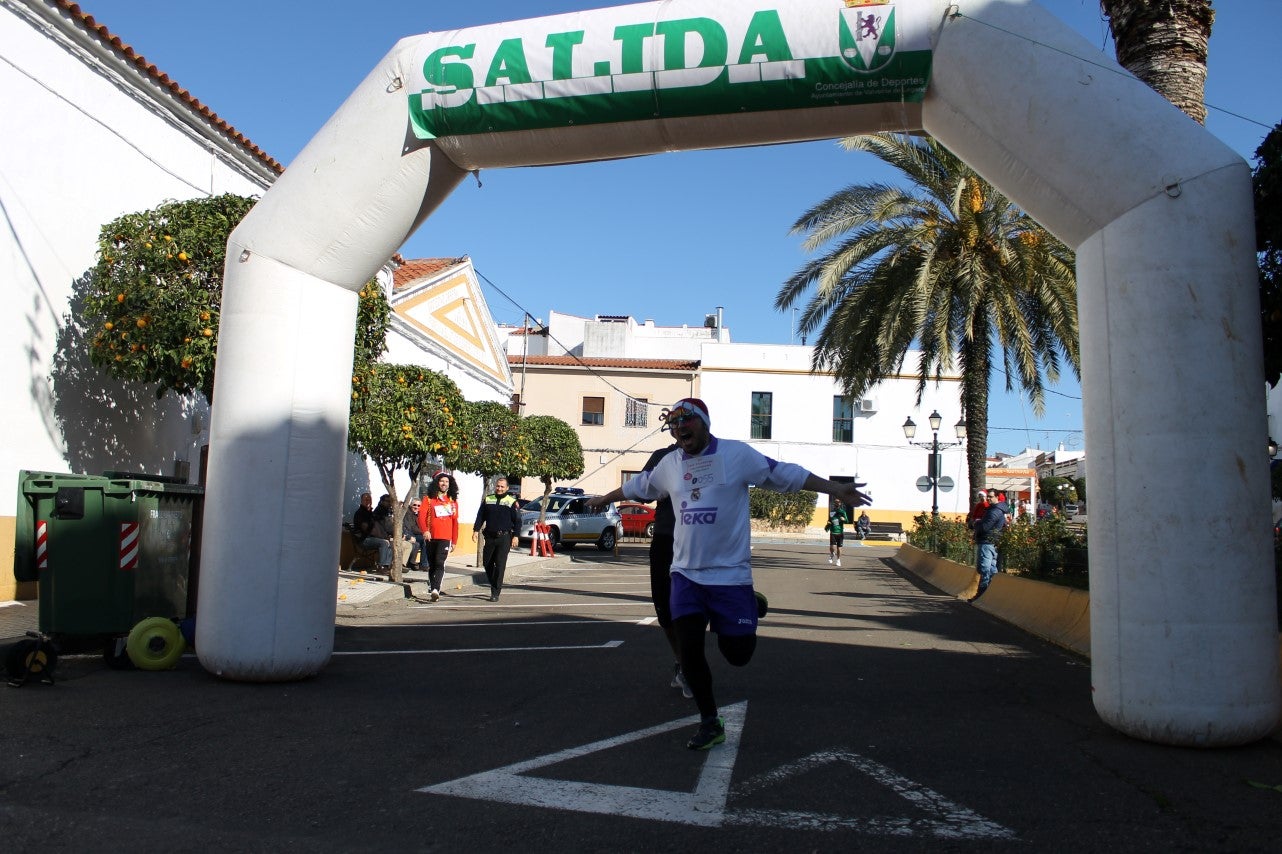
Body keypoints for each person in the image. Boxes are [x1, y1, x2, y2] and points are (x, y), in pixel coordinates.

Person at [587, 398, 870, 751]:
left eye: (686, 422)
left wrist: (835, 489)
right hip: (686, 575)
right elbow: (639, 486)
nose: (679, 430)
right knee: (689, 653)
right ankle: (710, 721)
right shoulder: (671, 464)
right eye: (673, 426)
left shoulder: (738, 456)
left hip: (730, 576)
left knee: (738, 655)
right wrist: (605, 498)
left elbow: (785, 474)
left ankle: (747, 605)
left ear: (704, 422)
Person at [638, 442, 690, 698]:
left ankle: (691, 665)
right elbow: (642, 492)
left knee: (692, 608)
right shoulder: (662, 456)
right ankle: (682, 661)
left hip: (695, 539)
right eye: (675, 422)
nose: (681, 428)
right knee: (664, 610)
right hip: (664, 538)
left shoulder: (711, 455)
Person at [472, 476, 522, 601]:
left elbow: (518, 521)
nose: (499, 489)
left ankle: (495, 592)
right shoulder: (488, 499)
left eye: (502, 487)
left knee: (500, 565)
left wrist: (516, 535)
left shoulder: (511, 501)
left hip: (504, 538)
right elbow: (480, 516)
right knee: (487, 563)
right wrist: (475, 530)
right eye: (498, 486)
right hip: (490, 537)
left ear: (507, 488)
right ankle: (494, 581)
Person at [417, 472, 459, 602]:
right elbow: (421, 517)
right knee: (432, 564)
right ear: (437, 483)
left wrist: (454, 540)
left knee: (440, 562)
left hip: (445, 538)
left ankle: (436, 589)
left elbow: (455, 522)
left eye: (447, 482)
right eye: (442, 481)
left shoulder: (453, 502)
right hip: (431, 537)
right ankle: (433, 587)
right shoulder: (428, 499)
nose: (444, 484)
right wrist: (425, 531)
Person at [970, 488, 1007, 601]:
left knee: (984, 569)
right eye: (988, 496)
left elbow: (985, 527)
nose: (988, 499)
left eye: (991, 497)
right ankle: (986, 594)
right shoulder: (994, 509)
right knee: (991, 569)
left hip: (987, 542)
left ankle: (981, 594)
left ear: (997, 497)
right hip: (991, 542)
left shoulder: (994, 511)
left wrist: (976, 523)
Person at [352, 492, 392, 571]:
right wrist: (382, 537)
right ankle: (382, 566)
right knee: (384, 543)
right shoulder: (360, 513)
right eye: (366, 500)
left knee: (391, 542)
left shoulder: (370, 513)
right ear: (361, 501)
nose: (368, 502)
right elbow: (367, 529)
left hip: (372, 538)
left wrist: (385, 536)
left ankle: (387, 565)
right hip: (364, 539)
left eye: (369, 500)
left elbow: (377, 528)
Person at [825, 498, 851, 566]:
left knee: (839, 548)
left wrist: (844, 519)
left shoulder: (843, 512)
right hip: (833, 531)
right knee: (832, 547)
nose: (837, 504)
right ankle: (832, 553)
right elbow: (829, 521)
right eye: (836, 503)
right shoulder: (831, 512)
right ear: (834, 504)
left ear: (840, 504)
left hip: (840, 532)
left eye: (838, 503)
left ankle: (838, 560)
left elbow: (847, 521)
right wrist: (828, 524)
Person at [403, 496, 424, 571]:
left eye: (418, 506)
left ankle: (423, 563)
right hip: (410, 534)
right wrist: (423, 532)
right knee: (423, 540)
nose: (416, 507)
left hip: (415, 534)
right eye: (414, 505)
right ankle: (423, 564)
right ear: (410, 505)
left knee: (426, 540)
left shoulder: (418, 514)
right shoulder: (408, 513)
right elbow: (412, 528)